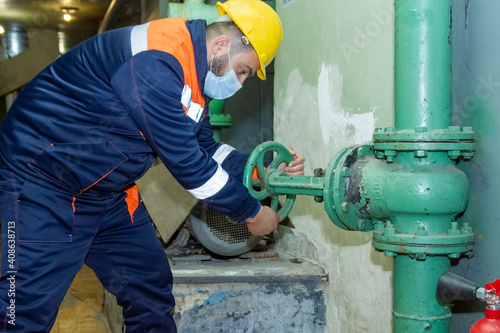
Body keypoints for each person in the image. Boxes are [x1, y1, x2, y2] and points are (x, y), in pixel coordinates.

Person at [0, 0, 305, 331]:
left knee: (149, 289)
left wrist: (267, 168)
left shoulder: (193, 75)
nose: (242, 81)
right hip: (40, 185)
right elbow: (188, 164)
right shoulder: (157, 62)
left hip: (107, 191)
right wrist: (251, 212)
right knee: (22, 309)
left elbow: (205, 149)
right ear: (220, 45)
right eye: (244, 70)